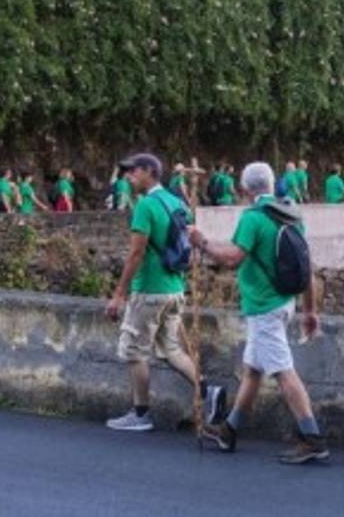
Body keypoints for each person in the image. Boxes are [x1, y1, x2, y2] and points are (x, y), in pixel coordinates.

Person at [193, 162, 328, 465]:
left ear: (243, 189)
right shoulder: (291, 214)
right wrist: (310, 309)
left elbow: (232, 258)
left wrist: (201, 243)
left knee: (283, 372)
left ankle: (313, 438)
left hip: (263, 307)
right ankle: (229, 431)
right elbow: (306, 265)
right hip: (284, 303)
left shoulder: (252, 218)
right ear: (272, 184)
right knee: (253, 370)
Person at [103, 153, 223, 433]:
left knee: (135, 351)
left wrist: (119, 294)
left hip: (149, 289)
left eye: (132, 172)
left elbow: (136, 253)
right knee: (170, 349)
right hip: (175, 289)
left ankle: (141, 413)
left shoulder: (146, 205)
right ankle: (209, 391)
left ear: (149, 172)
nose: (128, 178)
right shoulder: (177, 202)